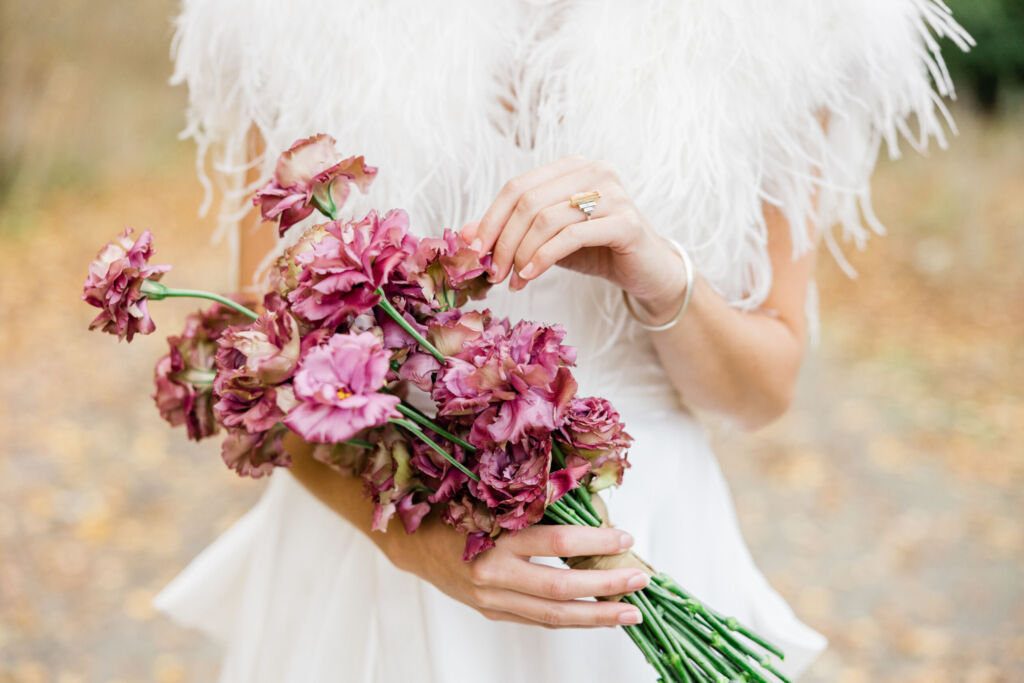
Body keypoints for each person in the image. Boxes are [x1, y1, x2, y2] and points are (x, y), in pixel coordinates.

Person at [154, 1, 971, 680]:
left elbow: (764, 389)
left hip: (634, 543)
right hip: (376, 549)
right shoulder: (285, 21)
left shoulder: (795, 24)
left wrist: (662, 275)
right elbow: (258, 368)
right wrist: (416, 543)